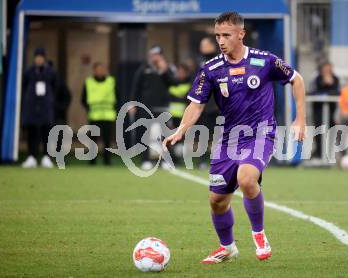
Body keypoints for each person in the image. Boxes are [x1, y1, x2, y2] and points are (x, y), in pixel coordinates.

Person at [163, 12, 306, 264]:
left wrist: (300, 119)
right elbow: (195, 105)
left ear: (241, 34)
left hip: (261, 133)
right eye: (217, 35)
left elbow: (297, 80)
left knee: (247, 178)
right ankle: (227, 247)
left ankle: (259, 234)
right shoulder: (211, 69)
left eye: (226, 35)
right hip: (229, 139)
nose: (220, 40)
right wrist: (181, 129)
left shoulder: (265, 61)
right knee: (217, 201)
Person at [129, 45, 175, 170]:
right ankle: (146, 160)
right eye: (152, 54)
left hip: (162, 107)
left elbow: (173, 83)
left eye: (157, 54)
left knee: (164, 135)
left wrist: (164, 71)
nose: (154, 57)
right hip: (146, 107)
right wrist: (132, 103)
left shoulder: (167, 68)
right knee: (146, 134)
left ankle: (165, 160)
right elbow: (136, 87)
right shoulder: (144, 68)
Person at [21, 48, 57, 168]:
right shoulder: (28, 72)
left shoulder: (50, 72)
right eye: (37, 57)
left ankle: (46, 157)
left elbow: (56, 87)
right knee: (32, 132)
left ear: (44, 58)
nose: (39, 59)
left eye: (41, 57)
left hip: (45, 107)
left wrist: (50, 101)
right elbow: (24, 86)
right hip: (32, 107)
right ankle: (31, 157)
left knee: (46, 132)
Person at [81, 62, 117, 165]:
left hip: (108, 116)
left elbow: (117, 97)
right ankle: (92, 161)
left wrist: (115, 109)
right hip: (94, 116)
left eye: (102, 69)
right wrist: (89, 109)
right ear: (94, 70)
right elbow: (83, 99)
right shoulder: (88, 82)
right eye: (98, 69)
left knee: (107, 140)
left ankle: (107, 161)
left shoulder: (111, 81)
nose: (100, 71)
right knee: (93, 140)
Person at [198, 37, 221, 169]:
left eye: (205, 45)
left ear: (212, 46)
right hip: (203, 106)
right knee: (204, 133)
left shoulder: (220, 61)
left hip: (218, 105)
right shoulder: (200, 62)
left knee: (219, 134)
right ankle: (202, 161)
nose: (202, 48)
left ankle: (219, 160)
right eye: (201, 45)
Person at [311, 61, 340, 158]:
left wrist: (330, 83)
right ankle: (319, 152)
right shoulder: (317, 78)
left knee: (331, 130)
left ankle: (329, 153)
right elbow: (314, 90)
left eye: (329, 68)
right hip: (319, 109)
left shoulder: (335, 78)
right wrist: (324, 82)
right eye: (325, 68)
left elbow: (337, 91)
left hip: (331, 109)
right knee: (319, 130)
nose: (327, 70)